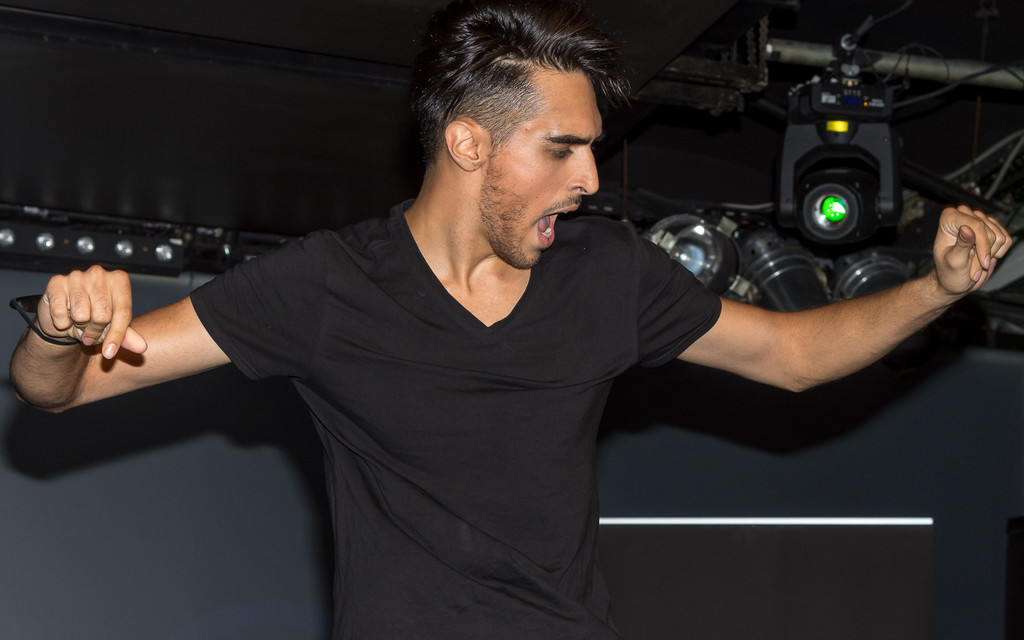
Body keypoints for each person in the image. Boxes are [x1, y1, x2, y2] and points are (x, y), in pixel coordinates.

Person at [8, 0, 1012, 637]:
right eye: (562, 149)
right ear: (468, 144)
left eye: (593, 149)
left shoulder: (608, 274)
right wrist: (55, 334)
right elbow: (62, 389)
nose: (590, 178)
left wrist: (934, 289)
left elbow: (792, 354)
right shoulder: (325, 285)